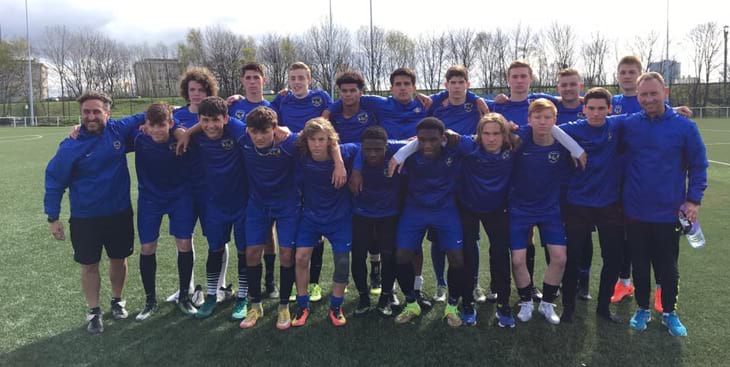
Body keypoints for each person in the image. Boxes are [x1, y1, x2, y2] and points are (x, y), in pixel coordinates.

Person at [44, 91, 145, 334]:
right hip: (85, 218)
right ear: (80, 114)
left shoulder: (118, 130)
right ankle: (93, 311)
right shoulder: (71, 145)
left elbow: (153, 113)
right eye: (86, 112)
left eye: (96, 111)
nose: (91, 116)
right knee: (89, 265)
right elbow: (55, 180)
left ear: (107, 114)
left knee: (119, 259)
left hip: (119, 213)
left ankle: (117, 300)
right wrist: (53, 217)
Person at [236, 106, 346, 330]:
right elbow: (217, 119)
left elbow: (326, 136)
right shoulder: (242, 137)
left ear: (274, 129)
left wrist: (339, 162)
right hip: (257, 204)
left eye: (264, 132)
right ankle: (255, 304)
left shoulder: (290, 141)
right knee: (252, 252)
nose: (258, 137)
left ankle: (284, 305)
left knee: (287, 254)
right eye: (253, 132)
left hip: (287, 204)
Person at [624, 72, 707, 337]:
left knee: (667, 266)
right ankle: (642, 309)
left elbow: (698, 164)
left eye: (653, 93)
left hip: (668, 212)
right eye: (643, 94)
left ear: (665, 92)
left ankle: (669, 312)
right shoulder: (629, 124)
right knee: (639, 264)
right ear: (637, 96)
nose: (648, 99)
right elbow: (598, 115)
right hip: (635, 211)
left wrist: (693, 200)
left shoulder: (684, 127)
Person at [389, 117, 472, 327]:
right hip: (415, 208)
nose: (427, 145)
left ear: (443, 138)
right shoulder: (409, 149)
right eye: (422, 140)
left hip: (445, 209)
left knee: (457, 258)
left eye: (433, 140)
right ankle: (411, 303)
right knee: (401, 255)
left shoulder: (454, 149)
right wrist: (403, 151)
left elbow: (482, 140)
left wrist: (457, 136)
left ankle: (452, 306)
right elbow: (371, 143)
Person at [557, 88, 627, 323]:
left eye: (601, 109)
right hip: (578, 204)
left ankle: (603, 307)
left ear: (609, 109)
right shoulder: (575, 128)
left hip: (609, 204)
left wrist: (673, 109)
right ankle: (568, 308)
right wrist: (576, 149)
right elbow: (550, 129)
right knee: (572, 257)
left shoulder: (616, 125)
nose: (596, 113)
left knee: (613, 258)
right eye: (591, 109)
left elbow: (644, 114)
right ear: (583, 109)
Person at [180, 96, 250, 321]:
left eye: (215, 120)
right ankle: (212, 295)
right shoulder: (198, 134)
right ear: (199, 120)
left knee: (244, 251)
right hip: (214, 204)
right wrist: (189, 133)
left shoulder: (237, 130)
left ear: (226, 119)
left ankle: (242, 296)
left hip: (241, 202)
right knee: (215, 249)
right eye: (205, 120)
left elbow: (255, 135)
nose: (210, 125)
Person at [127, 103, 198, 320]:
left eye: (162, 125)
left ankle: (185, 296)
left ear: (170, 123)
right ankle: (150, 300)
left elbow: (199, 130)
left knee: (184, 243)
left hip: (181, 196)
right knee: (147, 247)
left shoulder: (181, 137)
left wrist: (179, 130)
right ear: (145, 125)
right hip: (150, 199)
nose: (157, 130)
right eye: (152, 125)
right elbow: (111, 132)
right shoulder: (138, 138)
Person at [168, 67, 232, 306]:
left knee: (217, 240)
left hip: (210, 189)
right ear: (186, 91)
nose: (196, 94)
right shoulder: (174, 116)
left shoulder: (216, 113)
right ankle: (188, 287)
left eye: (201, 90)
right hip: (183, 189)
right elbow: (154, 124)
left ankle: (221, 285)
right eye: (192, 89)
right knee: (183, 239)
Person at [271, 61, 334, 303]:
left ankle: (315, 282)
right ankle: (289, 281)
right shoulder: (282, 100)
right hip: (289, 166)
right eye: (293, 78)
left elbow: (327, 124)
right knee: (296, 225)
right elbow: (265, 112)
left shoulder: (321, 97)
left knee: (314, 224)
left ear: (309, 79)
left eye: (301, 78)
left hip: (314, 163)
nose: (297, 82)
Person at [510, 99, 569, 325]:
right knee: (517, 260)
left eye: (547, 117)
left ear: (555, 120)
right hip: (520, 209)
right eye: (537, 117)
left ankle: (547, 303)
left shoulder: (563, 144)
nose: (542, 122)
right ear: (529, 119)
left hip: (549, 210)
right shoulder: (520, 141)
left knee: (560, 258)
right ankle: (526, 302)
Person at [290, 117, 354, 327]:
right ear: (305, 140)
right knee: (300, 258)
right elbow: (279, 134)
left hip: (339, 217)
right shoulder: (301, 156)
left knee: (342, 262)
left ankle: (336, 305)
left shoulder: (344, 152)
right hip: (311, 217)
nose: (317, 144)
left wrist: (341, 163)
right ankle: (302, 304)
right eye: (313, 139)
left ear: (330, 141)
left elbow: (363, 147)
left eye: (322, 139)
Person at [228, 62, 280, 300]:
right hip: (241, 177)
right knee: (250, 235)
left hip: (267, 176)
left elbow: (284, 131)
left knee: (269, 232)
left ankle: (270, 281)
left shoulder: (274, 105)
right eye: (247, 77)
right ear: (242, 81)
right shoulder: (234, 105)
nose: (252, 81)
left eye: (256, 77)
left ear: (263, 80)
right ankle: (249, 286)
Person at [329, 70, 382, 297]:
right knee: (348, 225)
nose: (348, 95)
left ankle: (376, 270)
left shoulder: (370, 112)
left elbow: (371, 142)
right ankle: (346, 275)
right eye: (344, 91)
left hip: (367, 174)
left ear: (361, 92)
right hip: (339, 174)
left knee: (372, 227)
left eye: (353, 91)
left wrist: (358, 169)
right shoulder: (333, 114)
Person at [348, 126, 406, 316]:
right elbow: (332, 146)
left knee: (389, 256)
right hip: (360, 213)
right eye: (368, 150)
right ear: (361, 147)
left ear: (386, 146)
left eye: (378, 150)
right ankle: (364, 297)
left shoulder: (395, 149)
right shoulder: (355, 151)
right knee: (357, 256)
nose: (372, 154)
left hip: (388, 215)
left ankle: (385, 297)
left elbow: (417, 143)